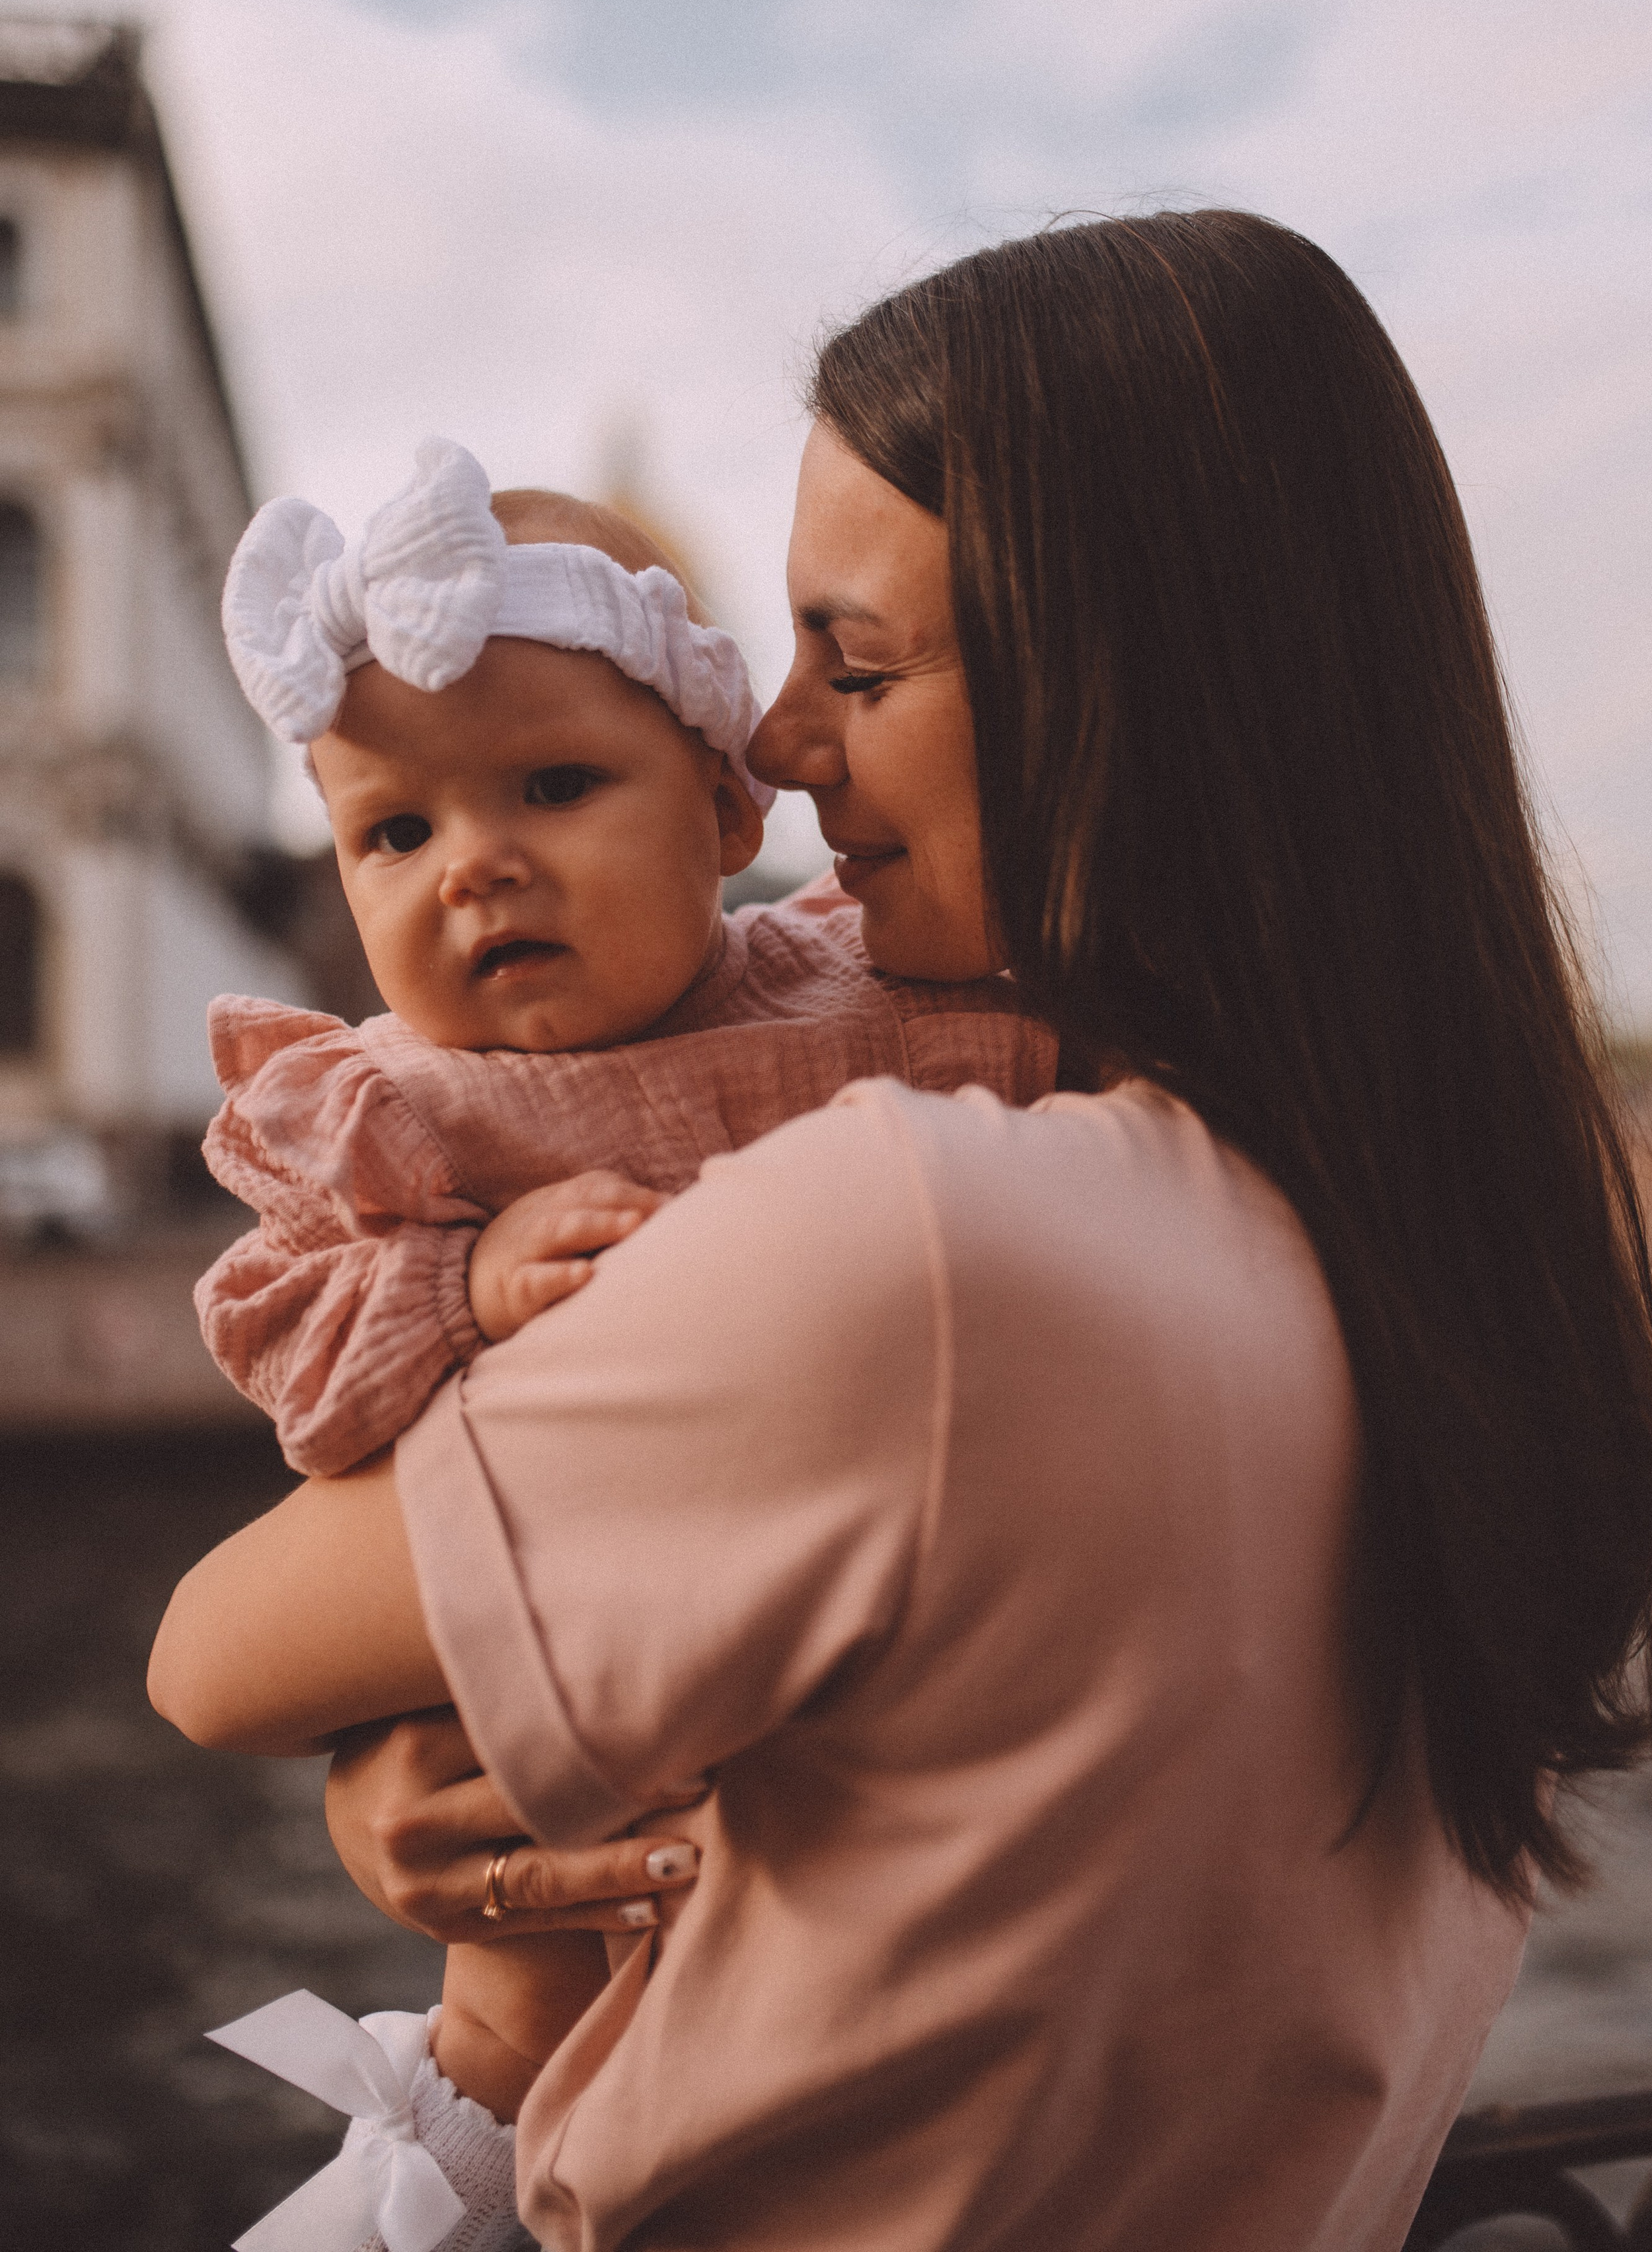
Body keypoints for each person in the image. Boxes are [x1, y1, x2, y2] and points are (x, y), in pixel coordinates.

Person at [151, 210, 1652, 2252]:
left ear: (1130, 690)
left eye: (854, 664)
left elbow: (209, 1658)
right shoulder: (1504, 1256)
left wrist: (410, 1793)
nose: (780, 749)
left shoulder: (927, 1241)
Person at [190, 433, 1058, 2173]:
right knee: (522, 1978)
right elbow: (283, 1341)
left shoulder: (862, 992)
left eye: (555, 790)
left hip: (809, 1665)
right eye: (397, 830)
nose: (475, 866)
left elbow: (1034, 1075)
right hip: (561, 1673)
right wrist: (457, 1276)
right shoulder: (398, 1112)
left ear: (731, 812)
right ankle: (462, 2154)